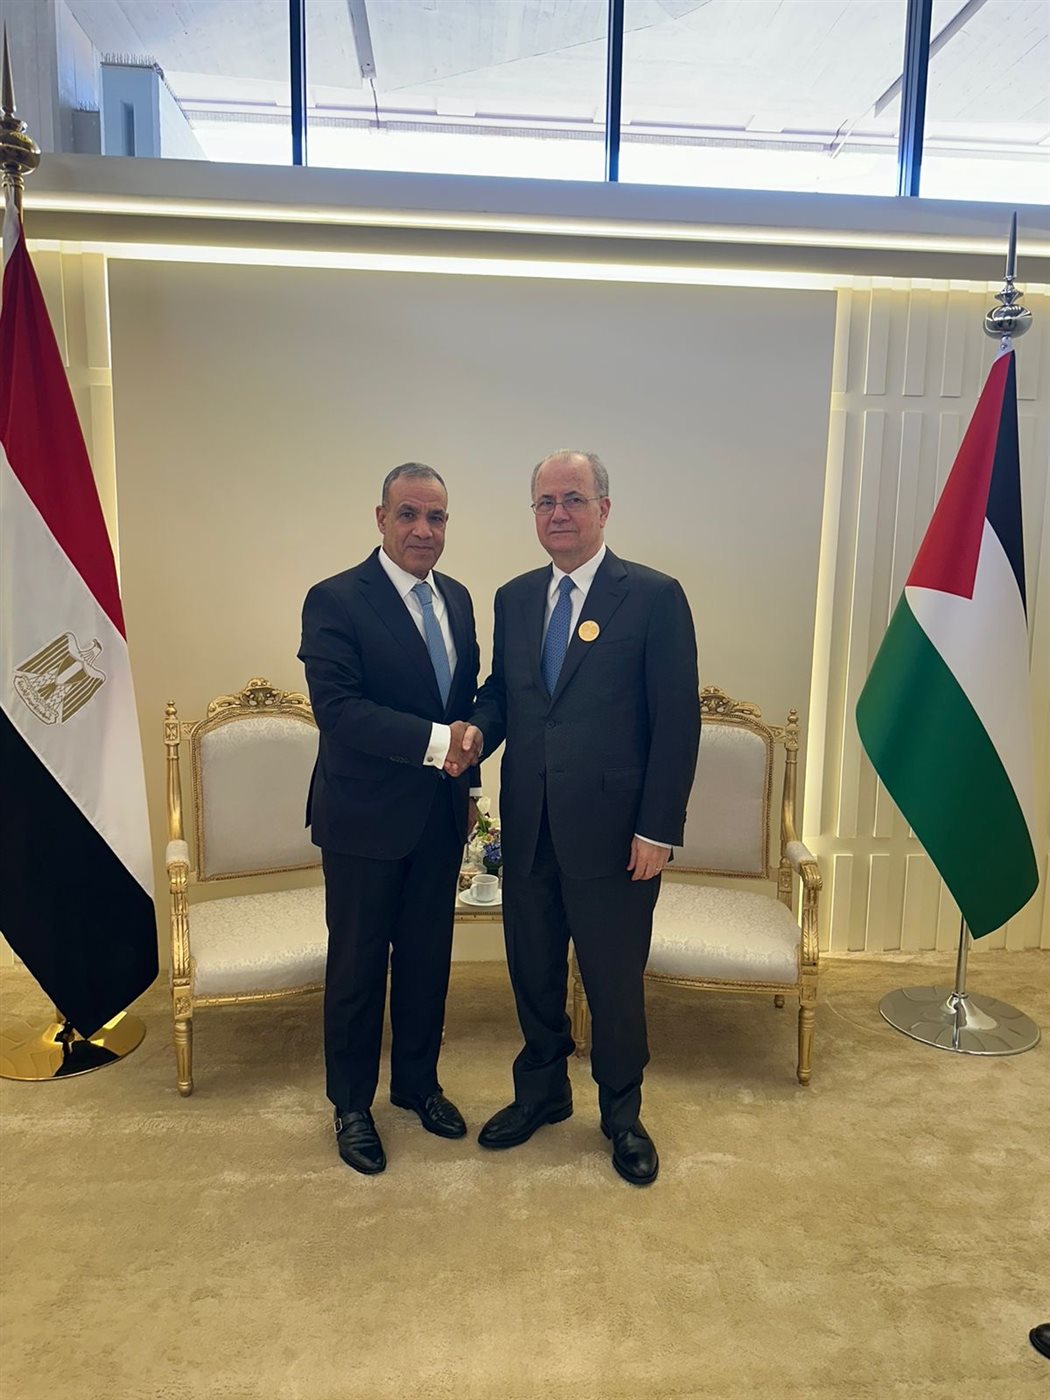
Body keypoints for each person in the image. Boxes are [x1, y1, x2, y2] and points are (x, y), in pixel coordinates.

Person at [453, 449, 700, 1185]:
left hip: (617, 839)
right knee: (531, 973)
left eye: (573, 499)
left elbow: (676, 721)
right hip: (530, 828)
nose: (557, 513)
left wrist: (657, 829)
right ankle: (543, 1093)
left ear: (604, 509)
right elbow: (506, 695)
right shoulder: (515, 598)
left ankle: (622, 1114)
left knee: (613, 983)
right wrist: (477, 731)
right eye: (545, 502)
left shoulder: (653, 597)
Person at [299, 462, 482, 1175]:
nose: (422, 530)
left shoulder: (458, 599)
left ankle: (416, 1084)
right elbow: (339, 710)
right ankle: (351, 1105)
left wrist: (467, 781)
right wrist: (442, 745)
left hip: (438, 817)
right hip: (362, 820)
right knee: (357, 967)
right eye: (408, 514)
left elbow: (462, 701)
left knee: (428, 960)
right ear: (381, 519)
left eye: (436, 517)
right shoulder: (335, 599)